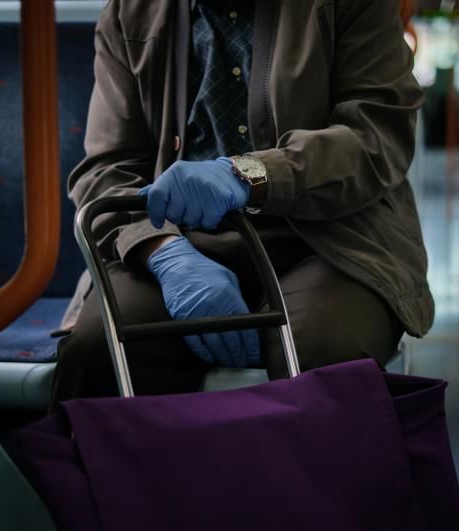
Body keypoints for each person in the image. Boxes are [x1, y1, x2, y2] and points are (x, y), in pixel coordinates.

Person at [51, 0, 433, 405]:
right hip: (178, 240)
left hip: (329, 239)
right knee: (100, 354)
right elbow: (107, 168)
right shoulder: (132, 12)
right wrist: (163, 252)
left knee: (325, 360)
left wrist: (250, 174)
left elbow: (375, 137)